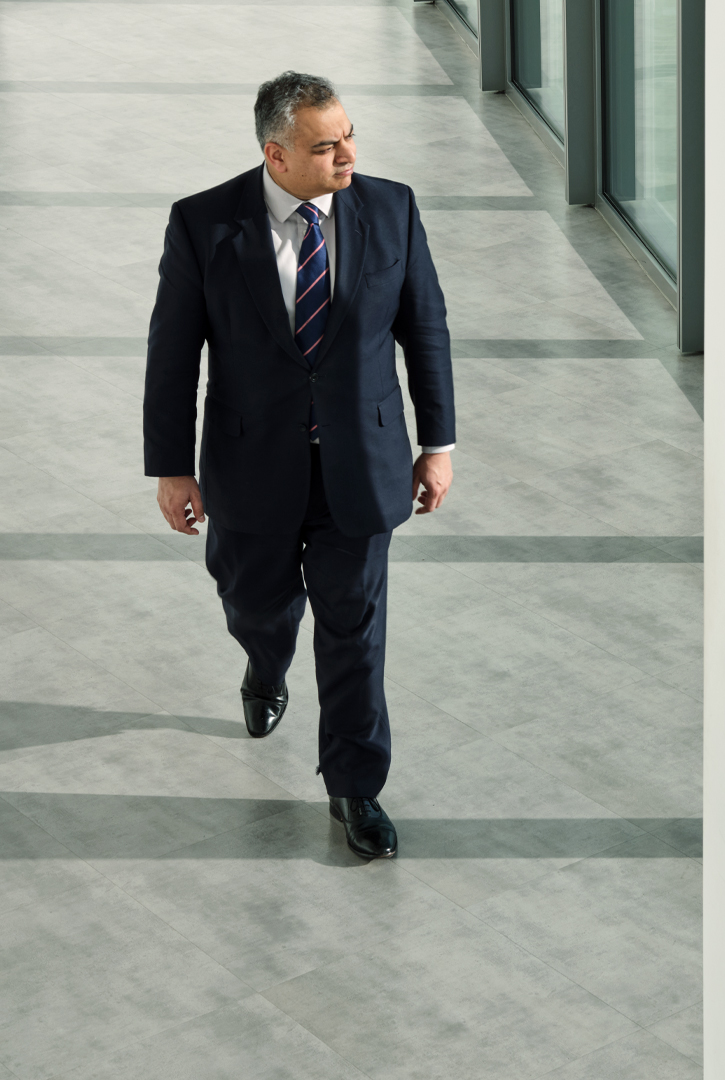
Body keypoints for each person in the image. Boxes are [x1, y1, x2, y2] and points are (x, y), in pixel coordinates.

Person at [143, 71, 456, 860]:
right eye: (326, 146)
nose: (347, 154)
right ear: (275, 155)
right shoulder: (204, 224)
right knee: (256, 602)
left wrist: (438, 445)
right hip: (250, 466)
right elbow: (173, 354)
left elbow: (425, 329)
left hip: (364, 465)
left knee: (355, 631)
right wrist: (171, 468)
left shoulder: (392, 208)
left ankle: (355, 786)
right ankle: (264, 661)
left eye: (349, 136)